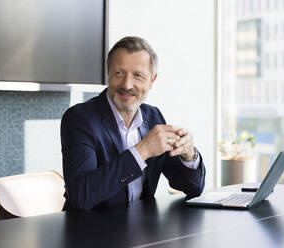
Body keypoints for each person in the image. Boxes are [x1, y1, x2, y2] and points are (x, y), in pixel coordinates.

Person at [61, 36, 206, 210]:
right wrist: (142, 151)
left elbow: (193, 188)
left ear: (152, 80)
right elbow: (81, 196)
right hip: (90, 231)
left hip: (141, 229)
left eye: (138, 75)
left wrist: (188, 155)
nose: (127, 84)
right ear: (109, 74)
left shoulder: (153, 116)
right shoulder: (80, 119)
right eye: (119, 73)